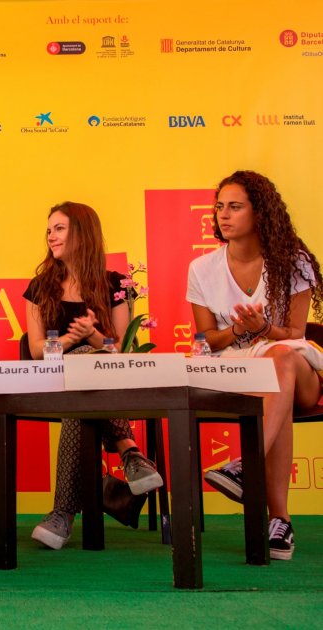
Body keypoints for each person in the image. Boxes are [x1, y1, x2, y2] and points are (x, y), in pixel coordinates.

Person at [187, 170, 323, 561]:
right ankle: (280, 520)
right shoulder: (201, 269)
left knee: (281, 359)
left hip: (296, 368)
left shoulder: (293, 262)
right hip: (238, 368)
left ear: (259, 213)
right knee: (275, 391)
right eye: (219, 207)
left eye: (235, 207)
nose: (223, 215)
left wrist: (264, 329)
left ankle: (247, 465)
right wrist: (238, 330)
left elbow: (295, 333)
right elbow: (206, 339)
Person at [24, 201, 164, 550]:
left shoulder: (115, 284)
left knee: (85, 378)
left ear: (82, 233)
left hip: (103, 384)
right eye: (49, 229)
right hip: (53, 381)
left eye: (59, 228)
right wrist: (73, 340)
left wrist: (93, 337)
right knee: (81, 360)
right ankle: (129, 452)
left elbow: (121, 348)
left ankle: (62, 513)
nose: (51, 236)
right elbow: (36, 350)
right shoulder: (40, 286)